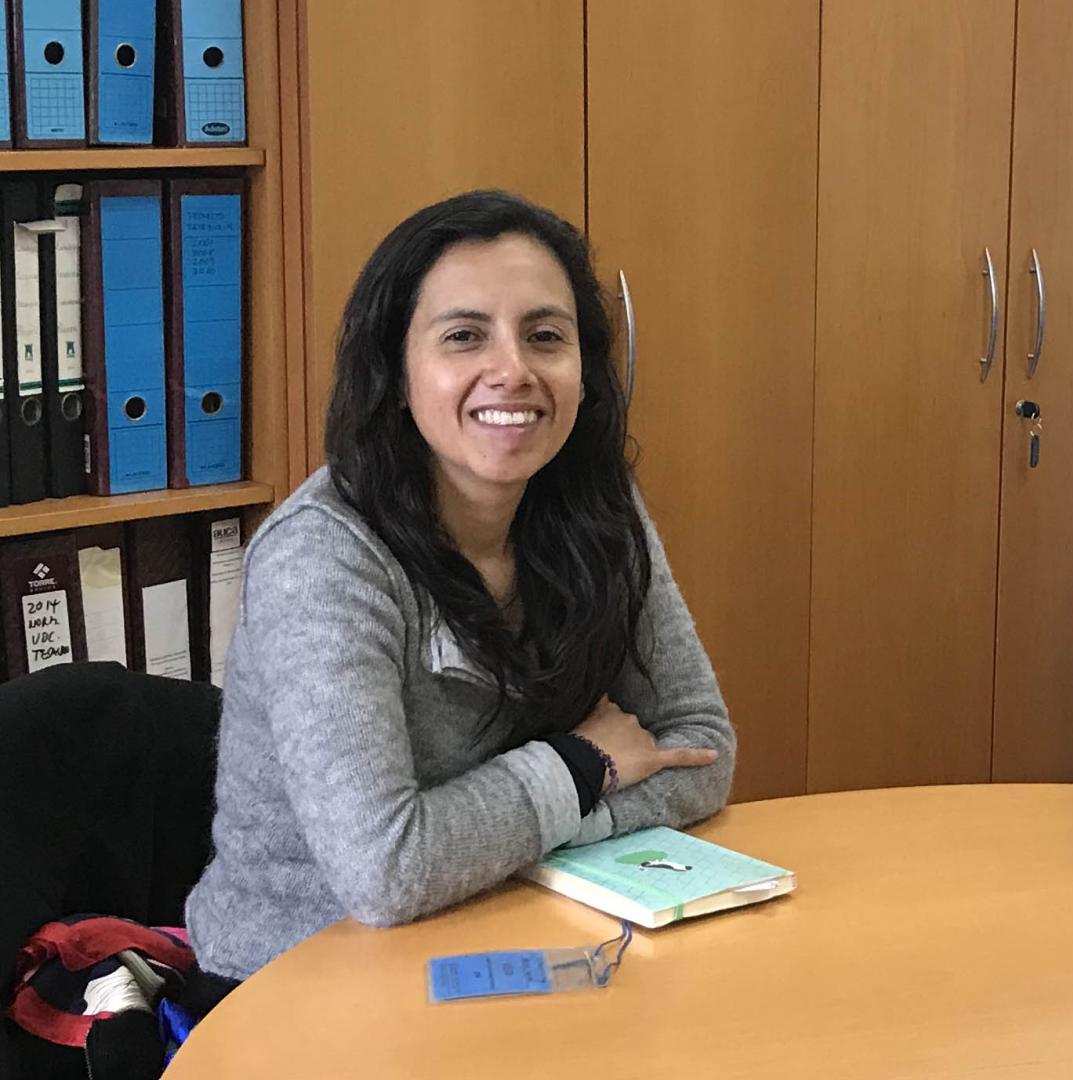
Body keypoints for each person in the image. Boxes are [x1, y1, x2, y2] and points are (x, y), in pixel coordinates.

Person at [185, 191, 735, 986]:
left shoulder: (592, 503)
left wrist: (538, 829)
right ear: (399, 375)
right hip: (300, 977)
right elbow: (387, 869)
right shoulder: (324, 557)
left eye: (545, 336)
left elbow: (701, 747)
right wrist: (585, 767)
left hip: (515, 936)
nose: (511, 370)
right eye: (463, 337)